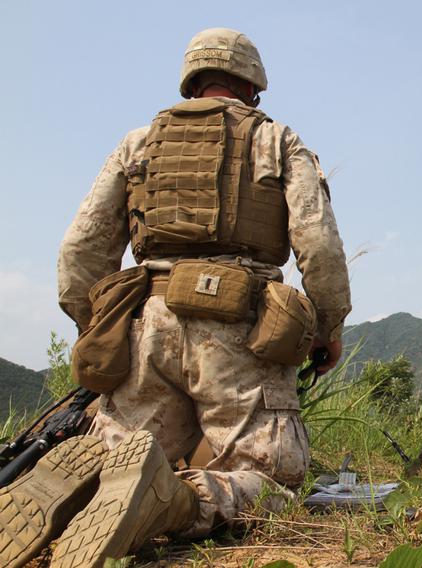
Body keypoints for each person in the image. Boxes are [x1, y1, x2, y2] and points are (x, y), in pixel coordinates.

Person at [0, 28, 351, 567]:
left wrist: (95, 326)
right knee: (272, 481)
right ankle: (174, 504)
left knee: (120, 461)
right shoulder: (277, 140)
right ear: (253, 87)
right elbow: (319, 247)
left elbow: (80, 250)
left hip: (145, 321)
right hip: (241, 330)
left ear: (191, 82)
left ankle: (77, 490)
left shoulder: (140, 143)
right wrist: (327, 327)